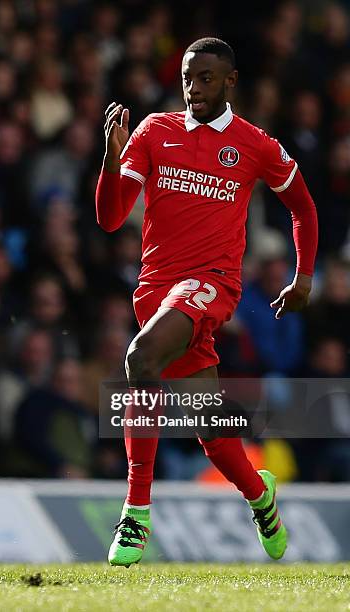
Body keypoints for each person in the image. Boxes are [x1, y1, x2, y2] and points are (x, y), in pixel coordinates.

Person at [95, 38, 318, 566]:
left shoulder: (255, 144)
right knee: (211, 428)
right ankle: (261, 497)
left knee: (140, 359)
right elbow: (109, 218)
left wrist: (303, 275)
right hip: (155, 291)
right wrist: (110, 160)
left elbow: (304, 209)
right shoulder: (154, 132)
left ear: (230, 81)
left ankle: (136, 513)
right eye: (189, 77)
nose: (195, 88)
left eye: (207, 78)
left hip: (211, 285)